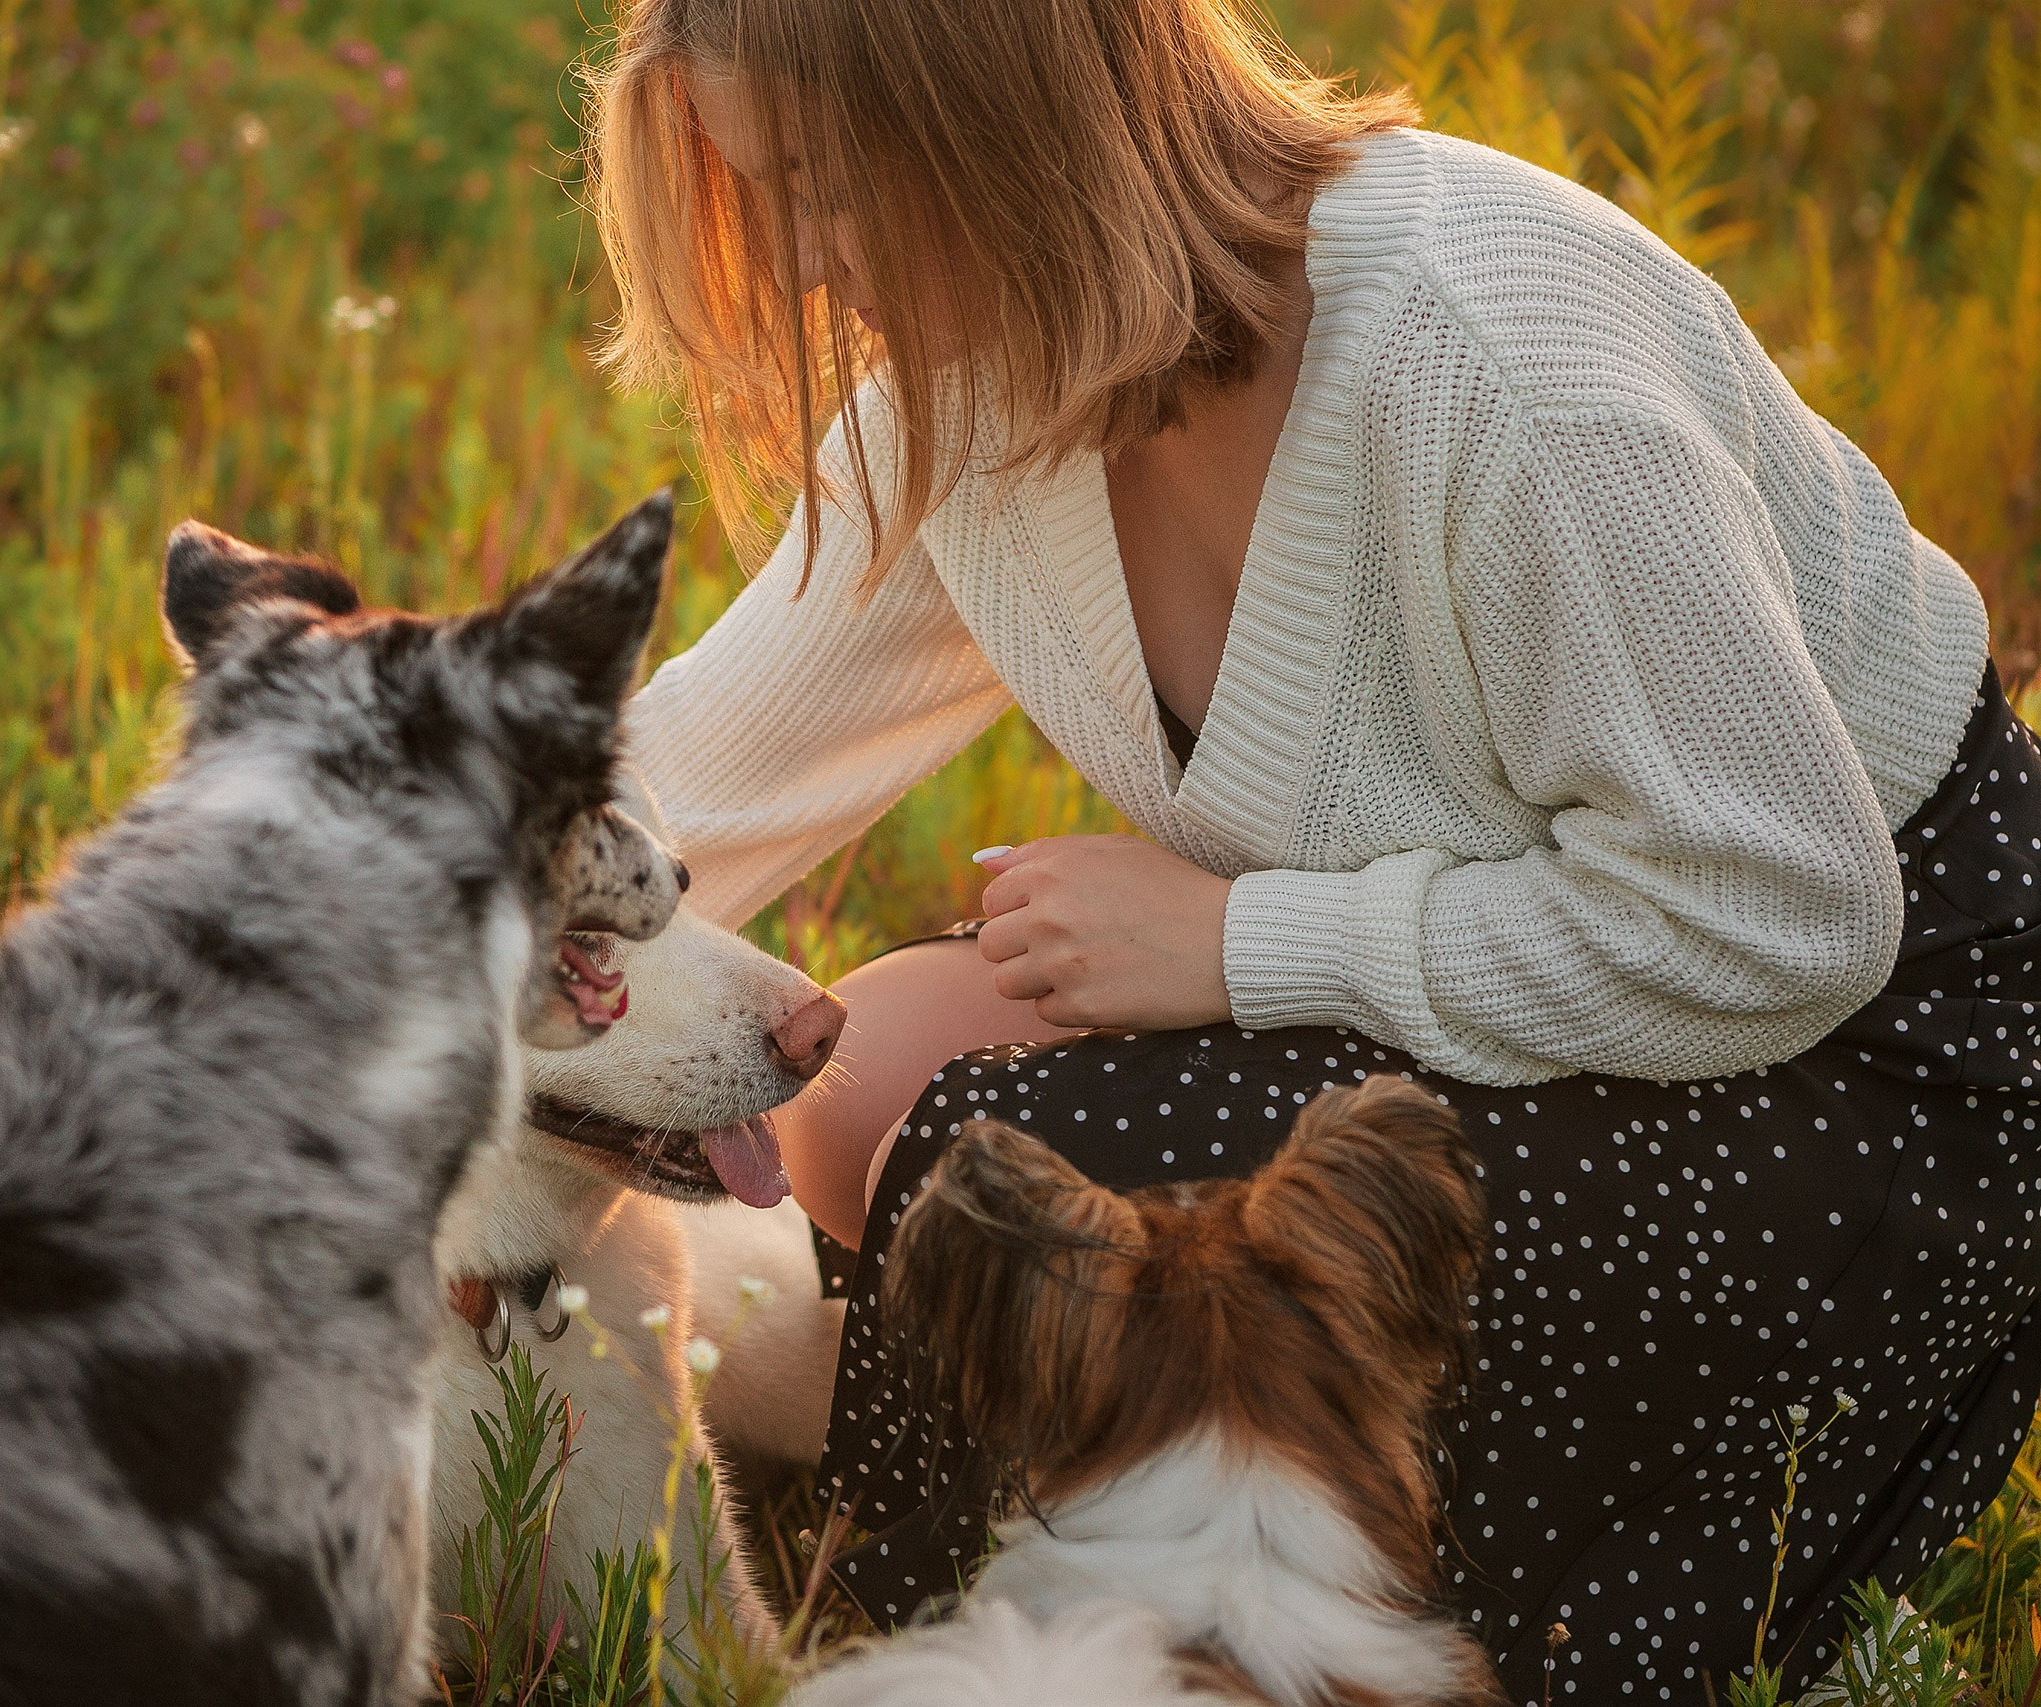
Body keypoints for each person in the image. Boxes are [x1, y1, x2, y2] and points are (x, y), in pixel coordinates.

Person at [587, 0, 2041, 1699]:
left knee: (1019, 1160)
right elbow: (686, 796)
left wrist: (1245, 944)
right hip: (1531, 987)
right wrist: (346, 1018)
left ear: (1013, 127)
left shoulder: (1492, 349)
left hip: (1864, 1062)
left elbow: (1781, 916)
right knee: (859, 1081)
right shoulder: (986, 384)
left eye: (825, 190)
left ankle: (1069, 1574)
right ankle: (877, 1428)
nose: (802, 265)